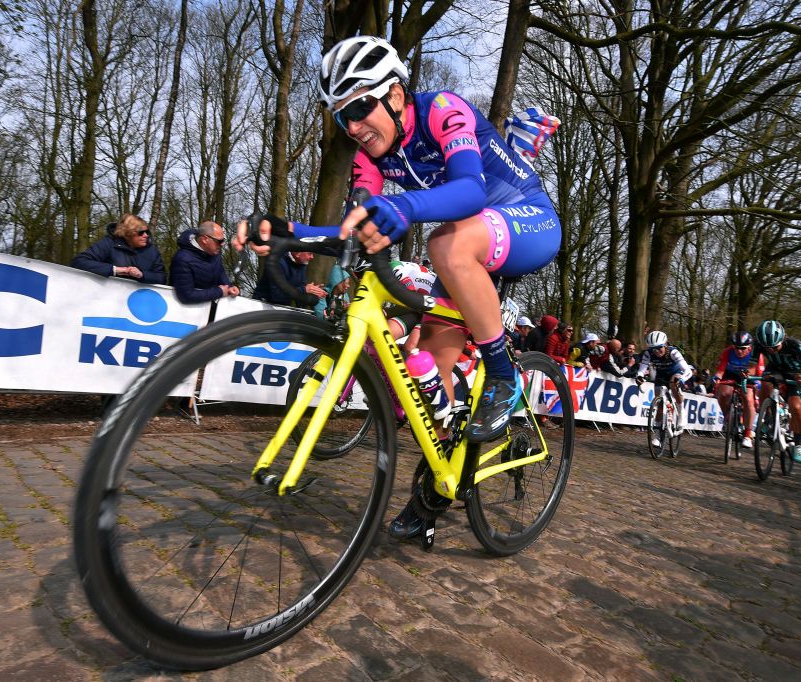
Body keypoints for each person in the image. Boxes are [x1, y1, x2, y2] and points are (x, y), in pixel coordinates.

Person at [235, 35, 562, 541]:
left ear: (393, 94)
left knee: (445, 242)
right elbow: (357, 228)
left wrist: (405, 208)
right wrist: (289, 234)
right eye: (343, 117)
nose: (355, 126)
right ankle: (436, 490)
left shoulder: (441, 111)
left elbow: (471, 190)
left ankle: (502, 374)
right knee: (426, 377)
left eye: (361, 107)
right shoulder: (369, 155)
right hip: (469, 247)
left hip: (526, 219)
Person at [754, 320, 801, 463]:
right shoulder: (758, 345)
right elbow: (752, 367)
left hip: (796, 374)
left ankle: (799, 443)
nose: (770, 351)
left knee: (796, 406)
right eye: (767, 348)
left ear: (783, 339)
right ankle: (768, 418)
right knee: (765, 382)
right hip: (775, 370)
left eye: (775, 347)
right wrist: (746, 374)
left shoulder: (796, 345)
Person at [635, 331, 694, 447]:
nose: (656, 351)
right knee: (659, 402)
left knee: (674, 383)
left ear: (665, 344)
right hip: (661, 375)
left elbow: (688, 370)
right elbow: (642, 367)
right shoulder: (648, 353)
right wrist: (640, 376)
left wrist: (682, 379)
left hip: (676, 373)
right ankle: (658, 434)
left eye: (659, 348)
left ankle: (681, 412)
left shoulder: (673, 352)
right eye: (653, 349)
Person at [70, 214, 166, 284]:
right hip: (111, 300)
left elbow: (161, 277)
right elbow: (79, 262)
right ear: (129, 233)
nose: (146, 235)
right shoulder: (109, 243)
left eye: (147, 232)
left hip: (141, 303)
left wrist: (142, 275)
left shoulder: (152, 250)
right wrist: (116, 270)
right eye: (141, 232)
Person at [712, 331, 765, 448]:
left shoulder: (756, 354)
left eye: (743, 348)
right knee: (723, 392)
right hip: (731, 374)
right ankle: (727, 418)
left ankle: (747, 434)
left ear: (749, 347)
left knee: (748, 399)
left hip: (749, 376)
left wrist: (757, 384)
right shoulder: (728, 352)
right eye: (736, 348)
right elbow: (721, 370)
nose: (739, 351)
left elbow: (760, 375)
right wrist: (717, 378)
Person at [170, 221, 241, 304]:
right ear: (204, 239)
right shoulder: (182, 259)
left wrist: (230, 287)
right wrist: (219, 292)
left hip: (211, 309)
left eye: (223, 240)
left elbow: (221, 274)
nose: (222, 244)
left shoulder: (215, 253)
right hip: (188, 312)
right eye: (219, 241)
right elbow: (186, 295)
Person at [252, 250, 326, 307]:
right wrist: (304, 289)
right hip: (262, 306)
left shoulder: (302, 264)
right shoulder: (277, 263)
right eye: (309, 253)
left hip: (282, 308)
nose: (312, 257)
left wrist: (313, 292)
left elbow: (299, 292)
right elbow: (277, 296)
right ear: (298, 253)